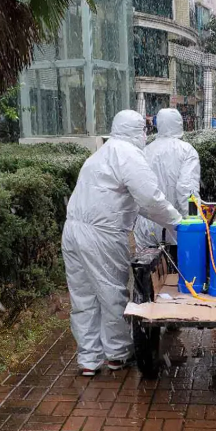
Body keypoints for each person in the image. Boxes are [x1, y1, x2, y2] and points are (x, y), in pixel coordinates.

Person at [62, 109, 183, 376]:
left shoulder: (101, 154)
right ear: (137, 131)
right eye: (144, 130)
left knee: (83, 297)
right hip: (102, 233)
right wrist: (178, 223)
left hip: (72, 230)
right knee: (111, 293)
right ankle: (117, 354)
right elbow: (150, 200)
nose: (145, 135)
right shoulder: (129, 155)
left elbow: (136, 202)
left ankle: (88, 359)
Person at [134, 108, 201, 254]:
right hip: (174, 224)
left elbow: (137, 188)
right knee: (177, 265)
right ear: (179, 124)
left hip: (147, 225)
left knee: (149, 266)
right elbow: (186, 190)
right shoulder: (186, 151)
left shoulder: (146, 151)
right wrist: (196, 223)